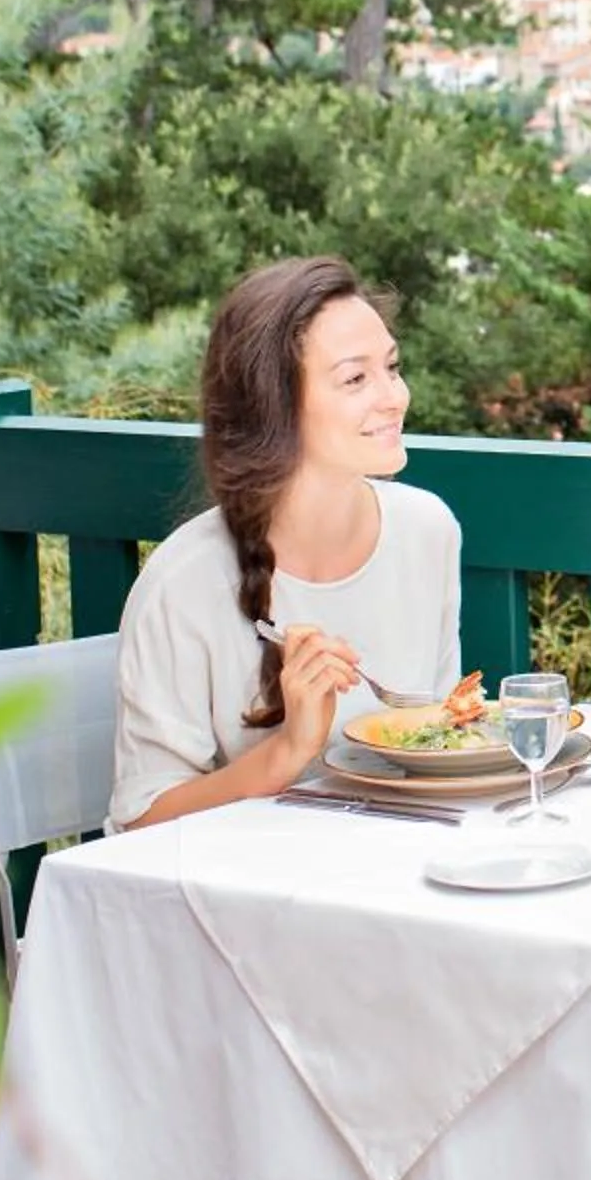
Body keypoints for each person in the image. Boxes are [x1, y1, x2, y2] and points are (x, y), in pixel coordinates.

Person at [107, 256, 462, 833]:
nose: (395, 396)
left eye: (392, 368)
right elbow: (141, 823)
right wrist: (290, 748)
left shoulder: (428, 530)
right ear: (274, 406)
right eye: (355, 379)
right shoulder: (184, 580)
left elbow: (440, 741)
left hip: (396, 865)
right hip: (235, 885)